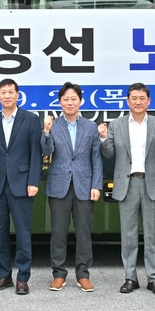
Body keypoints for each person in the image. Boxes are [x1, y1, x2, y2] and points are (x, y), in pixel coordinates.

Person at [99, 82, 155, 296]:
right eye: (134, 98)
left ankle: (154, 279)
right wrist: (103, 138)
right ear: (127, 101)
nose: (138, 102)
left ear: (149, 101)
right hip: (127, 184)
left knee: (152, 235)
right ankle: (130, 277)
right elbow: (109, 154)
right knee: (128, 235)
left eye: (142, 98)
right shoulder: (117, 125)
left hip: (152, 184)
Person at [0, 77, 43, 295]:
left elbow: (36, 152)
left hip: (22, 184)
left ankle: (23, 278)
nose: (7, 96)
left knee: (23, 233)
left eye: (11, 92)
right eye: (3, 92)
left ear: (18, 95)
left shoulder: (30, 119)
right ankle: (4, 275)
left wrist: (34, 181)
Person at [41, 82, 102, 293]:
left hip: (84, 185)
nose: (69, 103)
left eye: (73, 99)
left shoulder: (90, 126)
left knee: (84, 232)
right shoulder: (54, 125)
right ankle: (58, 274)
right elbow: (46, 151)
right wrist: (46, 132)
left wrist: (97, 185)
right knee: (58, 232)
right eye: (65, 99)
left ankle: (83, 274)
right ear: (60, 102)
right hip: (59, 184)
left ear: (80, 101)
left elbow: (96, 158)